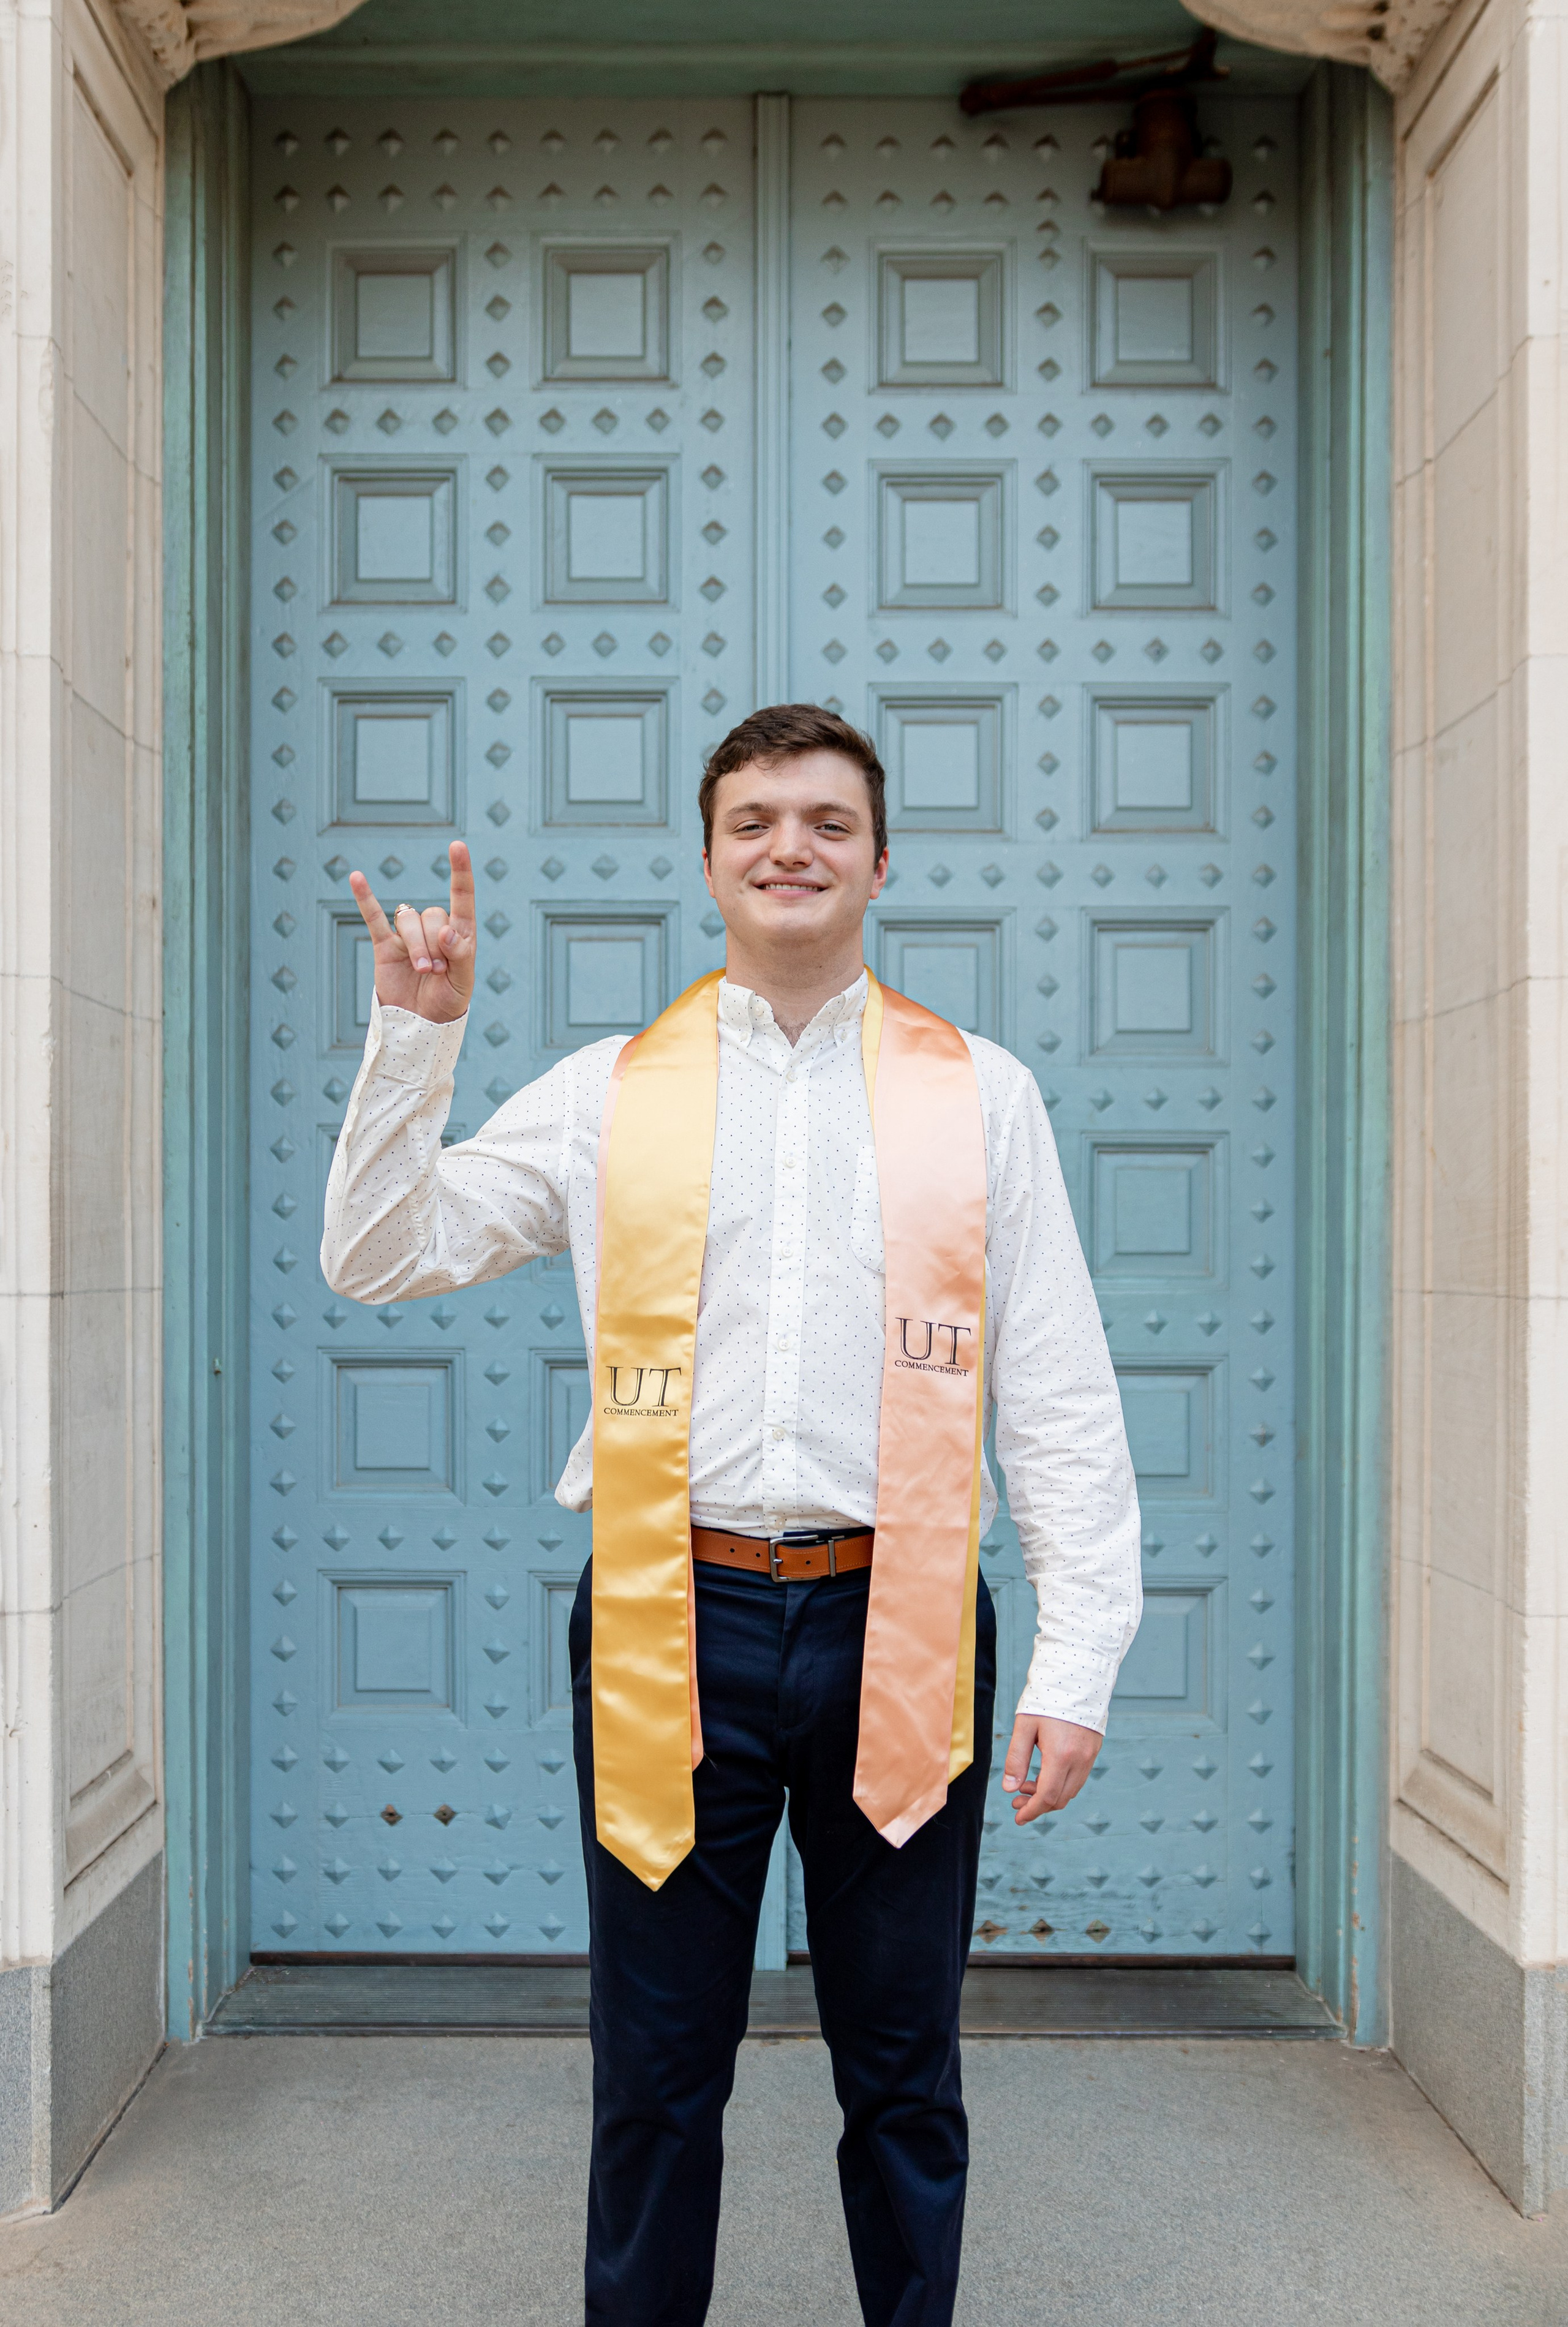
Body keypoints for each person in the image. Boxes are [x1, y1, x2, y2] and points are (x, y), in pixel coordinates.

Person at [322, 703, 1140, 2327]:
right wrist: (416, 1042)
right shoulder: (608, 1094)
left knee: (905, 2066)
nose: (791, 848)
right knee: (656, 2069)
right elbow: (381, 1252)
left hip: (897, 1619)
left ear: (880, 861)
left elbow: (1055, 1384)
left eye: (827, 822)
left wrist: (1080, 1657)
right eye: (757, 819)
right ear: (709, 859)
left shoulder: (980, 1096)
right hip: (665, 1621)